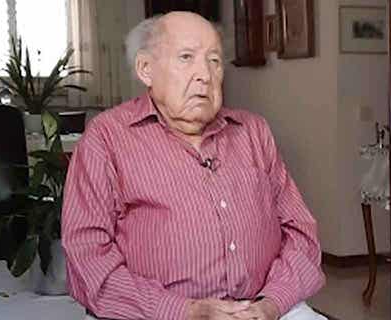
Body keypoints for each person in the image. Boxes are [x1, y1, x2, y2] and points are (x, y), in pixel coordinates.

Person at [61, 12, 326, 320]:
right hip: (154, 314)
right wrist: (184, 311)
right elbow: (86, 255)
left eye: (214, 61)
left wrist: (271, 303)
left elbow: (301, 232)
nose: (205, 74)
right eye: (186, 57)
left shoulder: (253, 131)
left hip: (265, 308)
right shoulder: (106, 138)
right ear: (146, 69)